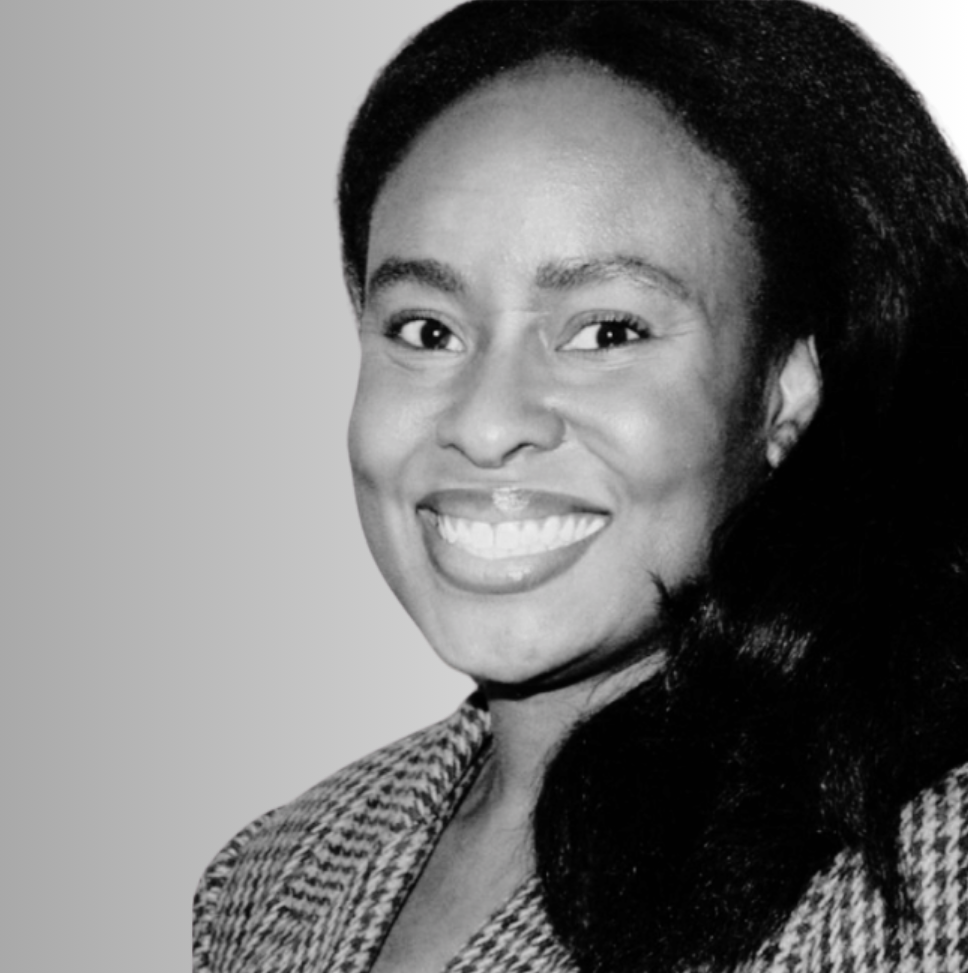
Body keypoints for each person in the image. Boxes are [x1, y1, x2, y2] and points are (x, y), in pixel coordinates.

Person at [193, 2, 968, 971]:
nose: (484, 422)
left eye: (606, 331)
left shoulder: (917, 879)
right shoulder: (272, 873)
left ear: (785, 392)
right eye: (426, 330)